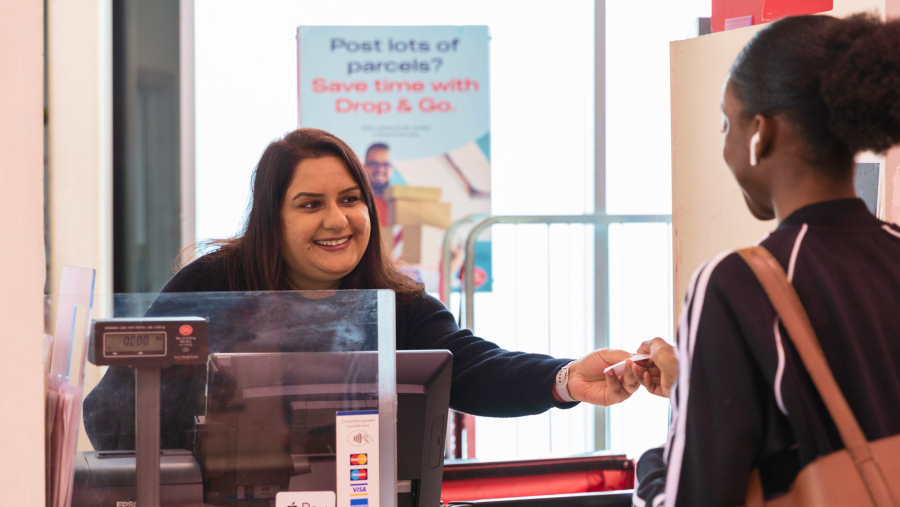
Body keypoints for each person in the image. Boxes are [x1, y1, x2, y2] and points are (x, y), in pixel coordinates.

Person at [83, 128, 643, 451]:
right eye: (310, 204)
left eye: (350, 199)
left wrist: (565, 379)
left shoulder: (398, 302)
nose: (338, 220)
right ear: (271, 219)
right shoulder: (211, 285)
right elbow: (110, 412)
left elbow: (471, 367)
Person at [629, 14, 900, 506]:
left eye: (726, 124)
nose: (726, 146)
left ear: (761, 134)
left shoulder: (735, 284)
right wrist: (691, 389)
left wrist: (652, 468)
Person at [363, 142, 403, 227]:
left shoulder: (402, 203)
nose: (380, 169)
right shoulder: (356, 201)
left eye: (385, 164)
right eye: (374, 164)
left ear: (392, 168)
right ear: (364, 167)